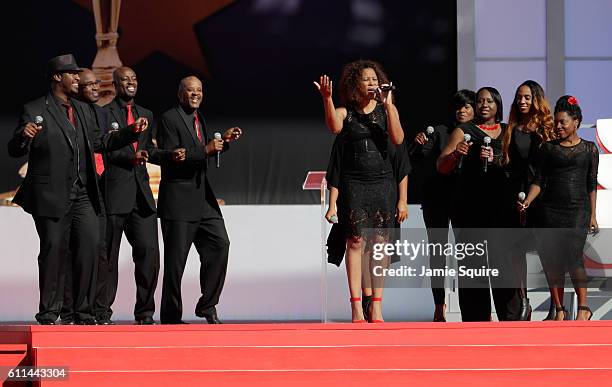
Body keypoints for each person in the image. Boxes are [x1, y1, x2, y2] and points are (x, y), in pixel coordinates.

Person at [7, 54, 148, 325]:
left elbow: (100, 142)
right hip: (51, 194)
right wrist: (24, 136)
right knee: (54, 251)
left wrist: (129, 133)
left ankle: (83, 313)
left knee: (90, 248)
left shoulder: (83, 109)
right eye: (72, 74)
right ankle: (49, 313)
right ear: (57, 77)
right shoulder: (36, 108)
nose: (77, 79)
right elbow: (14, 150)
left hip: (84, 192)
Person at [315, 59, 405, 323]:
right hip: (355, 184)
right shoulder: (346, 112)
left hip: (383, 185)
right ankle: (356, 307)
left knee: (380, 245)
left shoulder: (388, 109)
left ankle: (376, 306)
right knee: (355, 242)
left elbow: (398, 139)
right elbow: (334, 126)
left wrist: (388, 104)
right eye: (367, 79)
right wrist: (327, 99)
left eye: (375, 79)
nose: (372, 83)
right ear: (355, 84)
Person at [156, 76, 242, 324]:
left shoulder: (198, 118)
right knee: (175, 263)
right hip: (178, 198)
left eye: (199, 90)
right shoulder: (169, 119)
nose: (195, 94)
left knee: (220, 244)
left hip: (202, 196)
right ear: (180, 93)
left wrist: (223, 142)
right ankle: (171, 317)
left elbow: (204, 149)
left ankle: (208, 304)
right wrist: (205, 150)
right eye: (190, 90)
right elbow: (174, 156)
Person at [437, 87, 520, 321]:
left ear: (498, 105)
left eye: (490, 101)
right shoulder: (463, 131)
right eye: (480, 101)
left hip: (501, 211)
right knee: (473, 269)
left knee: (503, 266)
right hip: (470, 210)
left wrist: (498, 161)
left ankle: (511, 321)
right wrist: (456, 155)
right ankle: (476, 323)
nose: (484, 105)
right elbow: (441, 166)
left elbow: (518, 168)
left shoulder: (508, 132)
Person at [520, 95, 598, 321]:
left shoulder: (589, 149)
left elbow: (591, 183)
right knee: (552, 259)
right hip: (549, 210)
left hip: (578, 210)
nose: (558, 126)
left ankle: (584, 307)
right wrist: (528, 201)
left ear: (576, 122)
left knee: (574, 257)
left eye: (563, 122)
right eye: (556, 122)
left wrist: (592, 214)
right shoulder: (548, 149)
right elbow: (539, 181)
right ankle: (559, 310)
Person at [95, 67, 161, 325]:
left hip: (142, 196)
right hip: (114, 193)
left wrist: (170, 155)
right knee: (108, 257)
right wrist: (130, 157)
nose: (130, 83)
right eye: (125, 79)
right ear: (115, 84)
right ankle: (102, 313)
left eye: (134, 78)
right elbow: (104, 148)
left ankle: (145, 313)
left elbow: (148, 151)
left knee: (149, 253)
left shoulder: (147, 114)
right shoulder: (103, 113)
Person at [409, 89, 475, 322]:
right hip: (436, 199)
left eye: (467, 106)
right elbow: (415, 159)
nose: (462, 110)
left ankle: (473, 306)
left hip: (465, 201)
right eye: (459, 106)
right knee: (437, 254)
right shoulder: (439, 132)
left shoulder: (479, 134)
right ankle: (439, 305)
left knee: (468, 253)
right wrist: (417, 145)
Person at [501, 80, 554, 320]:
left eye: (527, 97)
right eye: (518, 97)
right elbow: (508, 163)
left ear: (536, 100)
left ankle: (557, 304)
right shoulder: (511, 128)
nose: (522, 102)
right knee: (514, 248)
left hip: (544, 194)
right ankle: (524, 302)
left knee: (547, 250)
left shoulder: (547, 127)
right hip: (517, 192)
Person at [59, 68, 108, 325]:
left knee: (95, 251)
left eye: (96, 83)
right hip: (72, 190)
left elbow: (102, 143)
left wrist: (128, 135)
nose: (93, 87)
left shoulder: (100, 113)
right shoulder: (69, 112)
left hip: (97, 190)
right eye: (87, 84)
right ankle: (67, 311)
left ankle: (90, 310)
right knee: (68, 252)